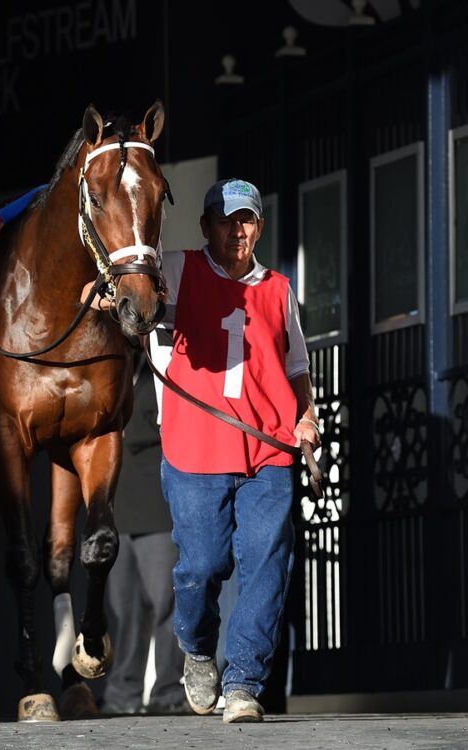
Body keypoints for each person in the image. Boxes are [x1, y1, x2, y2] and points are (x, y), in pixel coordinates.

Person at [153, 178, 320, 723]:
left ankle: (244, 681)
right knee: (202, 564)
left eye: (246, 220)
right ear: (206, 227)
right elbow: (132, 297)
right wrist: (103, 295)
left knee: (267, 561)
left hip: (268, 450)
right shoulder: (178, 270)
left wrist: (308, 416)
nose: (236, 230)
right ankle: (198, 649)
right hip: (196, 447)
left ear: (259, 227)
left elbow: (296, 366)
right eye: (225, 220)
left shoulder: (278, 288)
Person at [100, 343, 189, 716]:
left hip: (158, 511)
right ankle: (122, 694)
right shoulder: (107, 377)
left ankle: (168, 692)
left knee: (167, 604)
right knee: (125, 610)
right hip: (116, 514)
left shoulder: (161, 376)